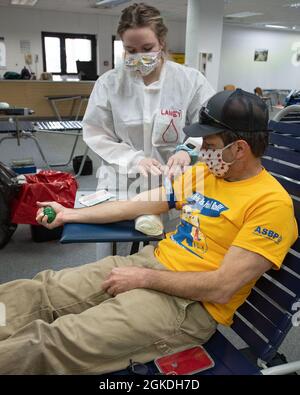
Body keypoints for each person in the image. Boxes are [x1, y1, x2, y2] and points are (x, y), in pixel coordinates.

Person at [0, 89, 297, 374]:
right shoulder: (205, 174)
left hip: (187, 307)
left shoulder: (271, 206)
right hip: (150, 263)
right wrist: (70, 214)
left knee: (52, 342)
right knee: (43, 290)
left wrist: (144, 278)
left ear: (239, 148)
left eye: (209, 145)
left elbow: (221, 287)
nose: (203, 152)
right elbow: (138, 203)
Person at [83, 2, 214, 193]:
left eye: (147, 48)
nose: (139, 56)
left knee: (174, 221)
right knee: (120, 220)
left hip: (173, 182)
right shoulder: (109, 83)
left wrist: (189, 149)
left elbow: (208, 124)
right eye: (131, 50)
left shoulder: (190, 81)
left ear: (161, 42)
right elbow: (96, 133)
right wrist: (134, 160)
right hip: (123, 182)